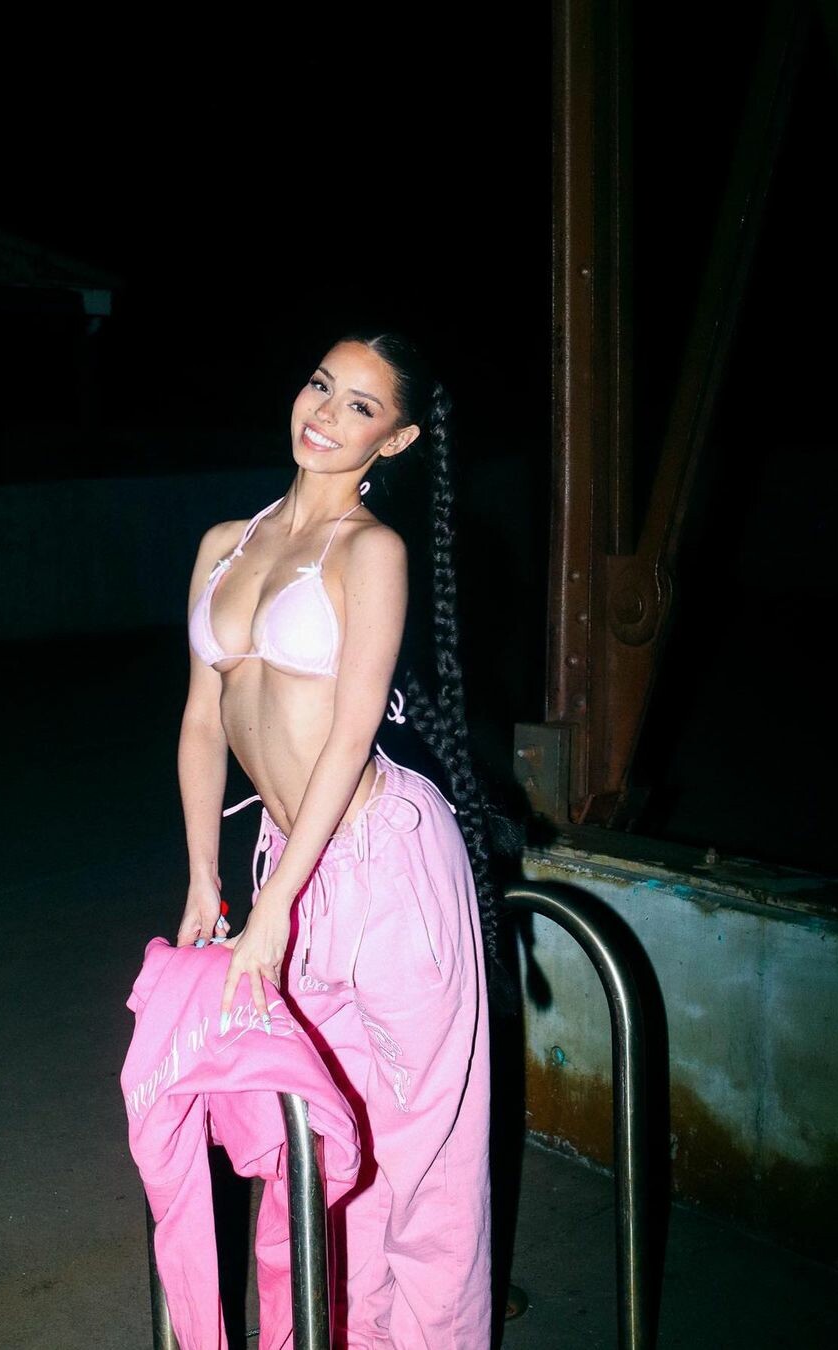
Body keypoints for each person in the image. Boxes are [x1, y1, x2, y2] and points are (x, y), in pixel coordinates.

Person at [176, 330, 498, 1350]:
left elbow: (354, 733)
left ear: (393, 440)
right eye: (321, 384)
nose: (324, 412)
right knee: (320, 1151)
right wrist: (205, 877)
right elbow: (201, 723)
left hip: (384, 863)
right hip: (284, 860)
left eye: (360, 405)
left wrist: (273, 909)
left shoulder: (371, 552)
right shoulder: (224, 543)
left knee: (422, 1158)